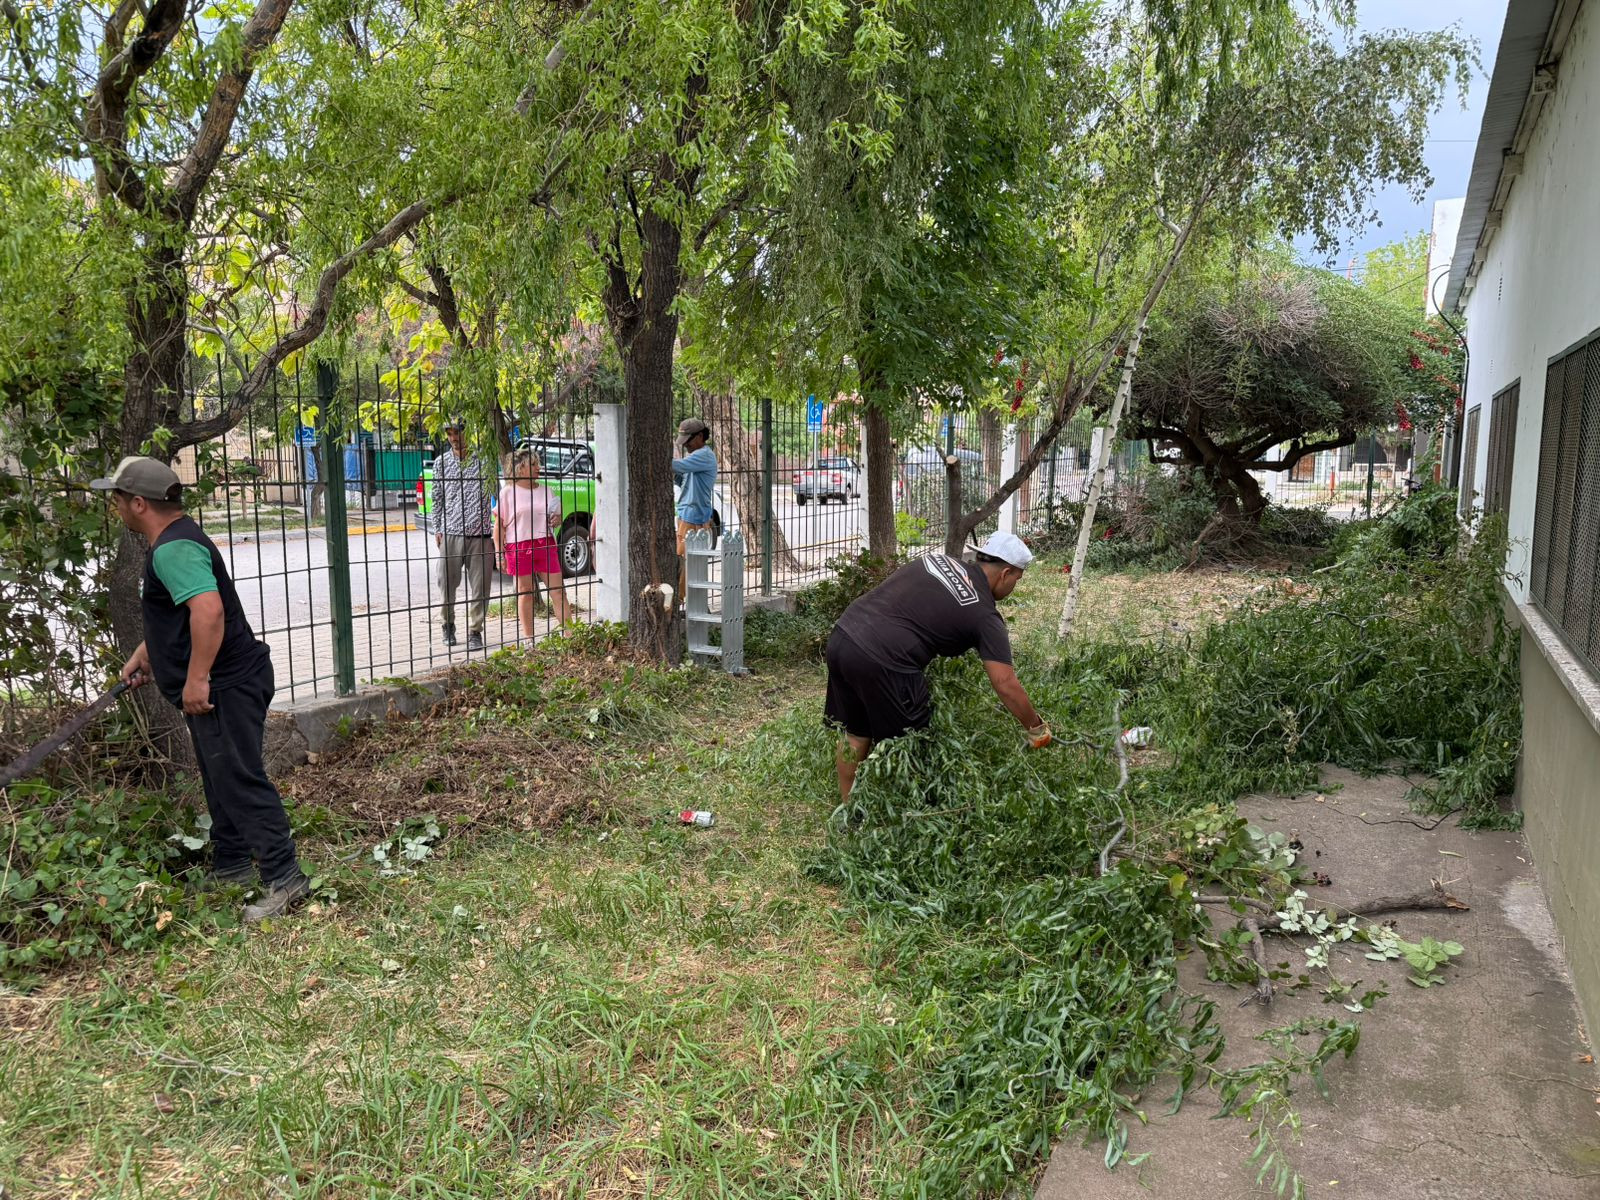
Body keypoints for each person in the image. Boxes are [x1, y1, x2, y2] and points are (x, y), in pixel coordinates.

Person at [92, 456, 311, 923]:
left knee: (238, 778)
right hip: (227, 681)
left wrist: (196, 678)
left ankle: (285, 876)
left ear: (138, 503)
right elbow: (181, 612)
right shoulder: (176, 539)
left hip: (226, 684)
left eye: (118, 498)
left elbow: (209, 612)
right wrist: (150, 651)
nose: (116, 507)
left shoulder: (173, 548)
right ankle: (232, 864)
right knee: (219, 774)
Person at [824, 531, 1051, 801]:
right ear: (1006, 573)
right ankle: (914, 812)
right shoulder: (985, 616)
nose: (1015, 584)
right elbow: (1005, 683)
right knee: (914, 745)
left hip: (844, 636)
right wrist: (1035, 726)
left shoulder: (939, 560)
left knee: (855, 733)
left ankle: (849, 808)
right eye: (1017, 578)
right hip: (885, 661)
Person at [432, 418, 494, 650]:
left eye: (457, 433)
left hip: (480, 534)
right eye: (449, 434)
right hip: (451, 531)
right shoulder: (441, 463)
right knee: (446, 582)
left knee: (481, 586)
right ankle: (447, 625)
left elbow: (495, 492)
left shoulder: (484, 460)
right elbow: (437, 497)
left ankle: (475, 631)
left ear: (467, 432)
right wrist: (437, 527)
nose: (453, 438)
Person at [495, 448, 571, 635]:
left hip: (545, 543)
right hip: (518, 546)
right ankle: (529, 639)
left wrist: (557, 519)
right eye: (533, 464)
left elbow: (556, 516)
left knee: (559, 591)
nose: (539, 467)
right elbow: (499, 526)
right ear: (520, 468)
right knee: (525, 592)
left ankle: (570, 636)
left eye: (538, 463)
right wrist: (499, 554)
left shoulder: (547, 491)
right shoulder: (507, 493)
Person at [671, 417, 717, 609]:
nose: (686, 445)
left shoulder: (704, 456)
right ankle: (690, 602)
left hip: (693, 517)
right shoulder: (695, 457)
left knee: (685, 563)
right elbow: (682, 479)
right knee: (686, 561)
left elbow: (676, 466)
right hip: (687, 515)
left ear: (699, 436)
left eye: (688, 441)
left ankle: (677, 602)